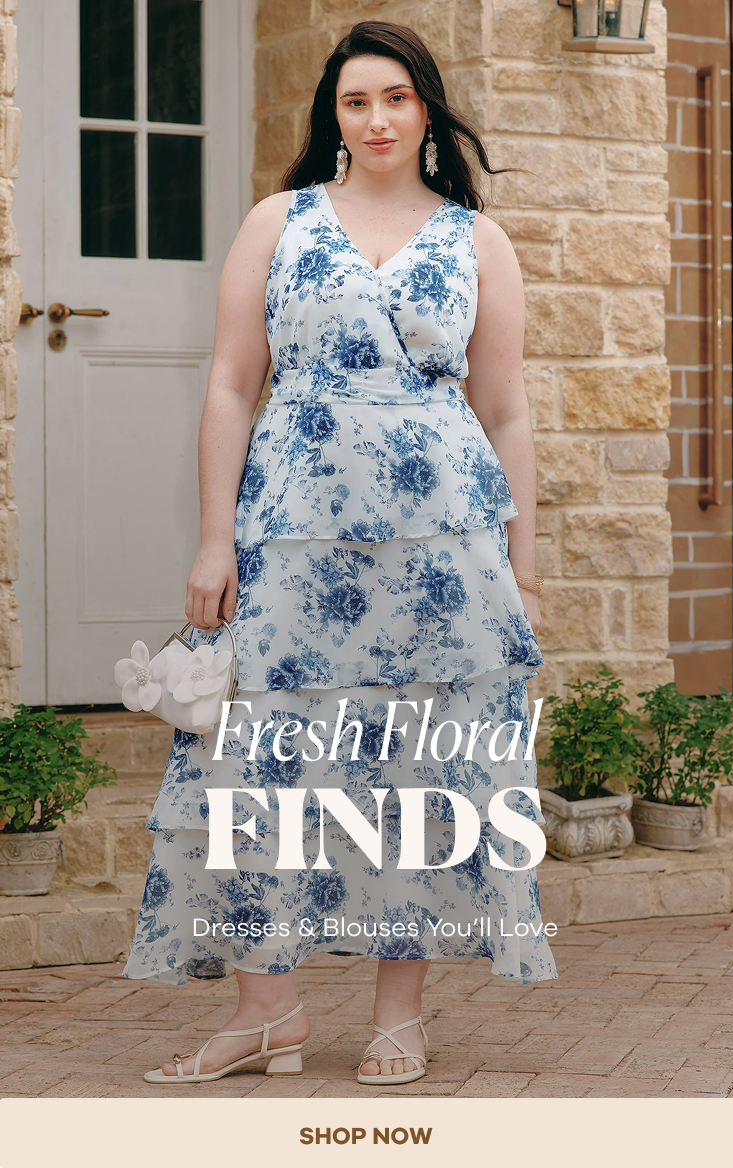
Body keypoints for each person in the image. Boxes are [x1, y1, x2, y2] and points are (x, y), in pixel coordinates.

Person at [123, 19, 557, 1088]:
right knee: (255, 763)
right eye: (356, 101)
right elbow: (233, 383)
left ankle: (399, 1017)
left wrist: (524, 569)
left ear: (427, 111)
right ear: (334, 117)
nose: (377, 119)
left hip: (442, 548)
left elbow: (506, 410)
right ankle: (266, 1011)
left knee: (416, 769)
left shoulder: (476, 240)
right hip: (292, 534)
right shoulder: (279, 222)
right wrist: (214, 538)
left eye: (396, 98)